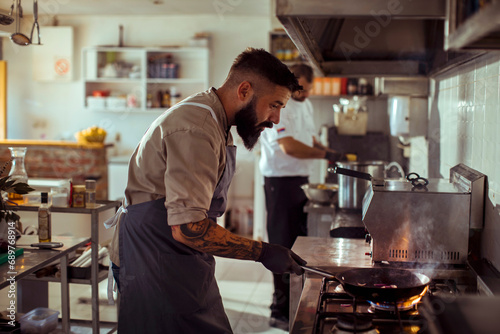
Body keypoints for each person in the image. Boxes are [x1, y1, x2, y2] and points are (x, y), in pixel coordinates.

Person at [103, 47, 306, 334]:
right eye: (274, 105)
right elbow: (188, 228)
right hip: (152, 257)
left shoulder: (215, 120)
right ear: (245, 90)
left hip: (174, 255)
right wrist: (261, 252)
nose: (276, 120)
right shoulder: (197, 128)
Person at [259, 63, 342, 330]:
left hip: (300, 180)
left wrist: (329, 150)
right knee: (282, 244)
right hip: (279, 182)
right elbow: (289, 146)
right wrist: (324, 155)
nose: (305, 94)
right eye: (302, 89)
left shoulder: (304, 104)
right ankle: (279, 308)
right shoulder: (278, 107)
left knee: (297, 245)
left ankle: (296, 303)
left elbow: (310, 139)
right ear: (293, 82)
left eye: (309, 89)